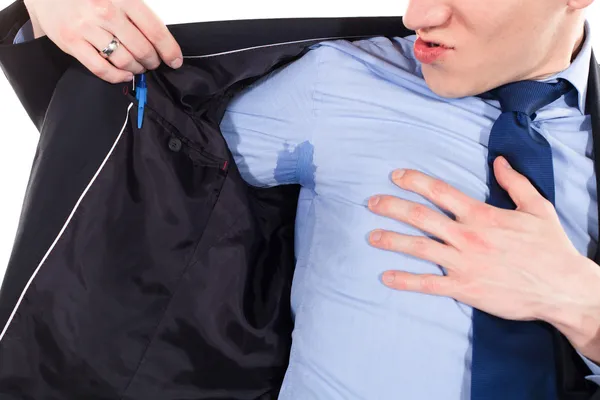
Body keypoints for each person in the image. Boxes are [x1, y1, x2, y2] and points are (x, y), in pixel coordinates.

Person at [13, 0, 600, 398]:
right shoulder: (338, 80)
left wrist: (581, 301)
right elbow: (121, 150)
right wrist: (51, 8)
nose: (417, 14)